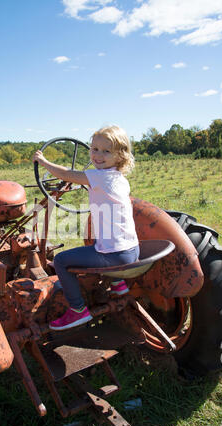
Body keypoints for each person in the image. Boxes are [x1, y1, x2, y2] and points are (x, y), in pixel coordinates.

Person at [33, 125, 139, 331]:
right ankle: (118, 284)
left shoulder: (98, 177)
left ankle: (77, 310)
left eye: (106, 151)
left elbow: (66, 174)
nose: (98, 155)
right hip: (133, 251)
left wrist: (43, 161)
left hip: (116, 255)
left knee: (61, 260)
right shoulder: (119, 178)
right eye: (94, 149)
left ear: (120, 155)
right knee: (104, 241)